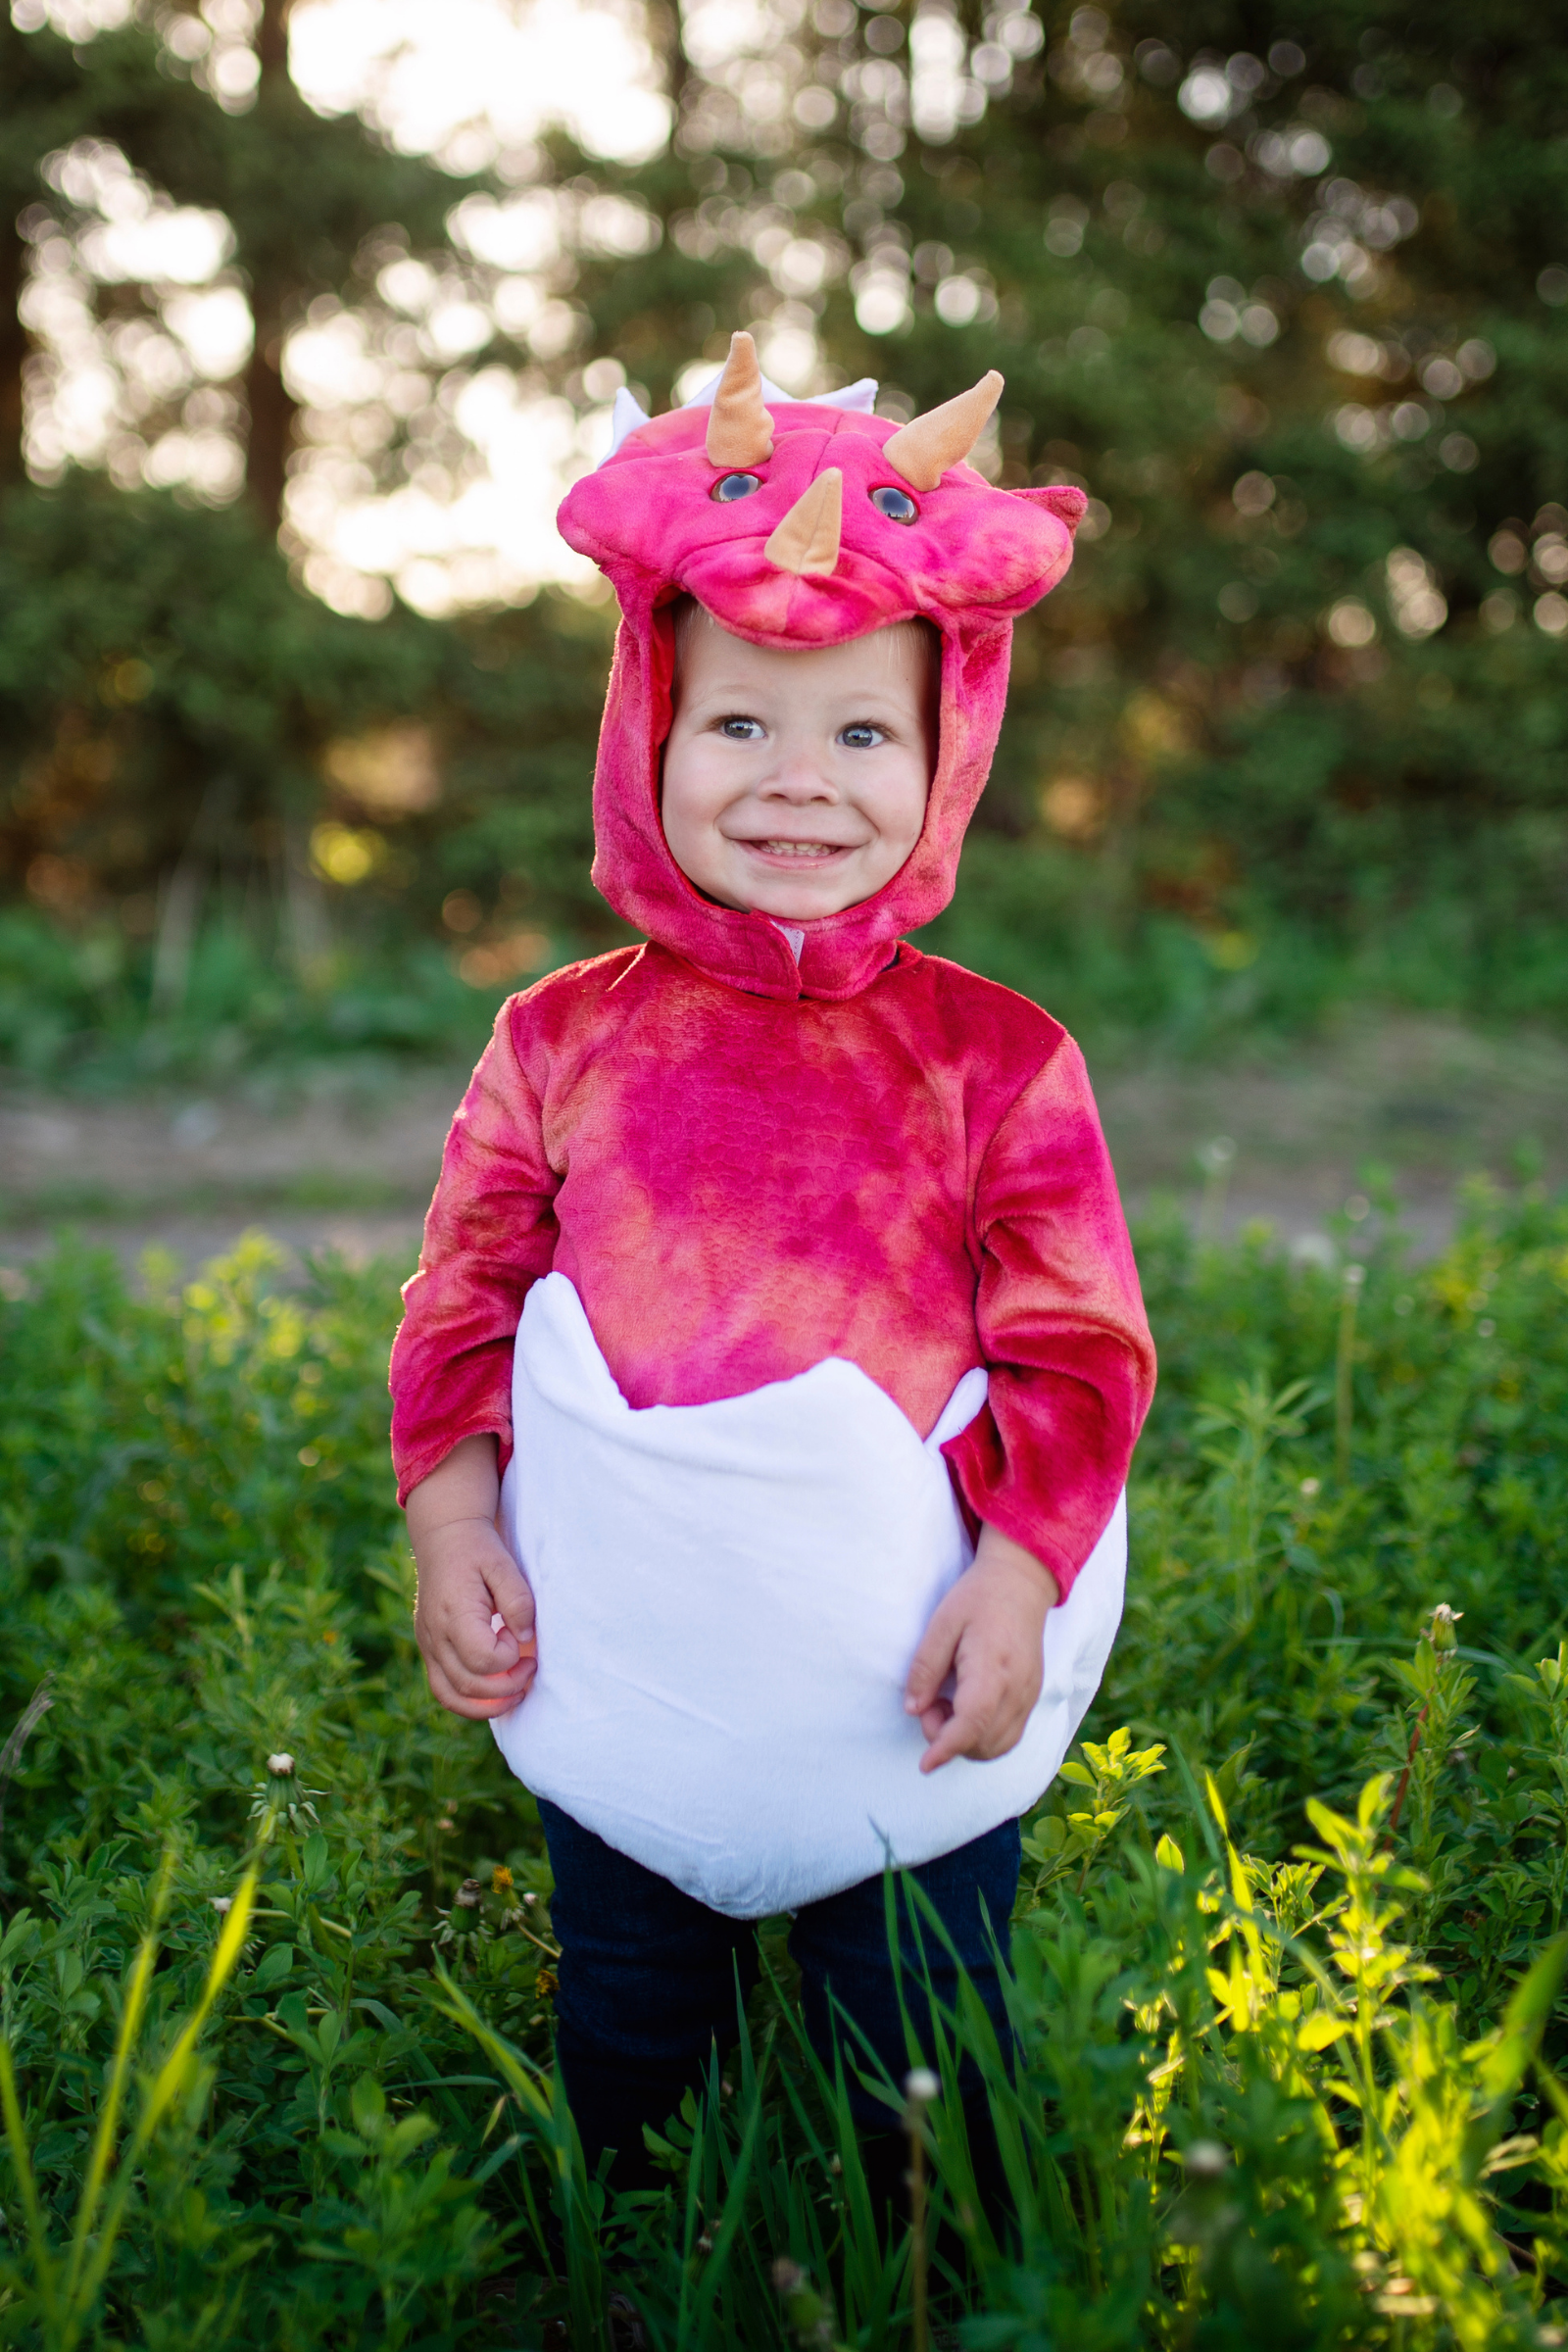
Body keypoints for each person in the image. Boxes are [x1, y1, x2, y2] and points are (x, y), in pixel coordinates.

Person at [389, 333, 1156, 2189]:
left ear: (947, 752)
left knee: (919, 2036)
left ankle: (922, 2270)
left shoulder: (997, 1053)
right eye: (741, 721)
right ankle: (628, 2243)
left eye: (862, 732)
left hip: (906, 1669)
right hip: (629, 1650)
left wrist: (1019, 1573)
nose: (799, 779)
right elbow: (464, 1304)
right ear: (647, 731)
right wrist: (455, 1521)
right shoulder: (560, 1038)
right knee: (629, 2017)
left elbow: (1078, 1350)